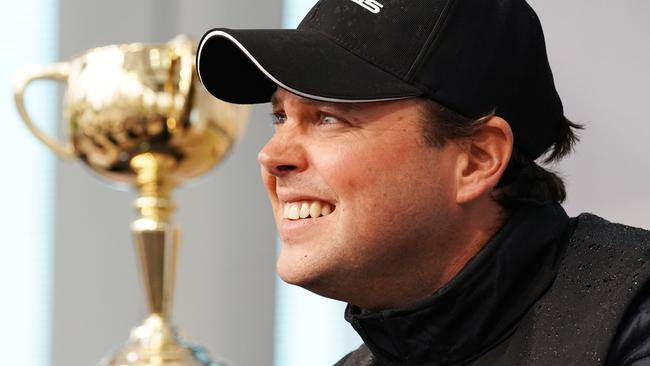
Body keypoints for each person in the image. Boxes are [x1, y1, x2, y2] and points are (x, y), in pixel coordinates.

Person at [196, 0, 650, 364]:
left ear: (476, 160)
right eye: (280, 117)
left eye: (328, 118)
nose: (272, 155)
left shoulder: (633, 316)